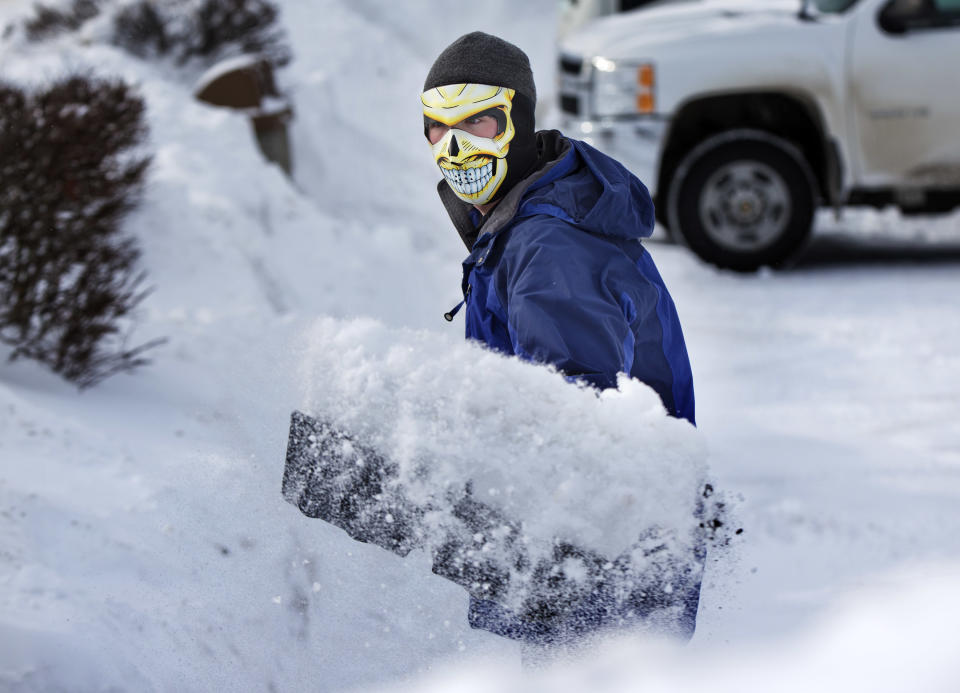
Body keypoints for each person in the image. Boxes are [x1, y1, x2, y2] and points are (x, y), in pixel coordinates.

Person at [421, 32, 699, 647]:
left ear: (519, 122)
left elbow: (573, 418)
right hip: (602, 542)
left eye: (481, 124)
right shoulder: (527, 218)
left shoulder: (550, 249)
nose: (457, 149)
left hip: (600, 557)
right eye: (439, 129)